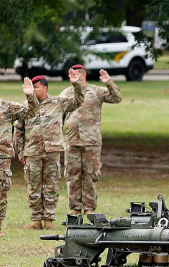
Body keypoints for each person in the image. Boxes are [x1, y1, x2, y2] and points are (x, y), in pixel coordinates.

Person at [14, 71, 84, 230]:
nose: (32, 90)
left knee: (51, 186)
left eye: (36, 87)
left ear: (44, 88)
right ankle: (36, 220)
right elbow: (19, 130)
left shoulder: (58, 102)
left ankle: (49, 220)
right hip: (32, 151)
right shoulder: (25, 106)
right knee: (34, 186)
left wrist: (76, 84)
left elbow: (79, 101)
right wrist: (20, 150)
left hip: (52, 151)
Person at [59, 65, 122, 215]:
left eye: (78, 76)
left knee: (90, 174)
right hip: (72, 140)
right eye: (72, 76)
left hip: (91, 141)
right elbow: (59, 118)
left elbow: (116, 98)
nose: (75, 79)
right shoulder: (65, 94)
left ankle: (89, 208)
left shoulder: (96, 91)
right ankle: (74, 207)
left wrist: (109, 82)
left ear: (84, 76)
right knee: (73, 174)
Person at [0, 79, 38, 237]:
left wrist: (30, 96)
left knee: (1, 192)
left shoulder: (7, 107)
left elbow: (31, 112)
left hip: (2, 157)